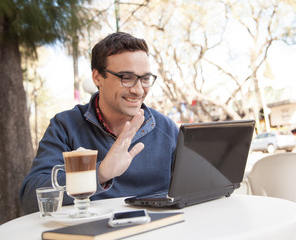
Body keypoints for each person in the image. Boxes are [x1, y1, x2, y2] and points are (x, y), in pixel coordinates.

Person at [19, 32, 179, 213]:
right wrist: (100, 173)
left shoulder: (167, 129)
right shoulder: (65, 126)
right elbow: (31, 198)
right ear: (97, 78)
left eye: (145, 78)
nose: (138, 89)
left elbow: (193, 193)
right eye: (126, 78)